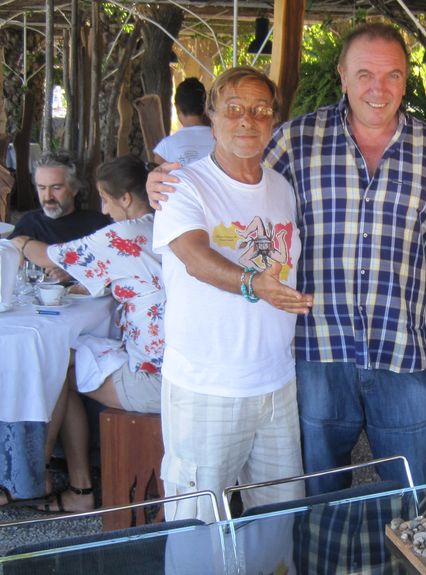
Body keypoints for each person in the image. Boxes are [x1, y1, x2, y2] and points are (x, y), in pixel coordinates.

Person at [147, 23, 426, 495]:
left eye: (393, 75)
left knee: (414, 487)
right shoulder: (297, 139)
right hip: (317, 349)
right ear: (342, 76)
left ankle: (408, 546)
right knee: (318, 493)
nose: (378, 88)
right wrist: (163, 181)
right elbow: (235, 174)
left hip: (400, 345)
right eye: (365, 74)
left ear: (406, 80)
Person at [152, 67, 314, 523]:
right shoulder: (182, 184)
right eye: (235, 109)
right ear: (212, 116)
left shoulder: (281, 187)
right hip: (207, 387)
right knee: (198, 526)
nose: (248, 120)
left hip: (276, 382)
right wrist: (253, 283)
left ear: (274, 120)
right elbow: (194, 257)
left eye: (261, 110)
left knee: (278, 521)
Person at [0, 155, 165, 511]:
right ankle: (70, 486)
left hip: (156, 379)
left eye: (106, 199)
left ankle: (36, 480)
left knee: (55, 366)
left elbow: (50, 257)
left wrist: (20, 242)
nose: (104, 209)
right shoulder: (164, 225)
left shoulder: (125, 233)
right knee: (62, 360)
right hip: (181, 362)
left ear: (125, 198)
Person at [10, 151, 110, 262]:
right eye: (42, 188)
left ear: (74, 189)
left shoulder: (97, 225)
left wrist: (69, 270)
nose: (48, 196)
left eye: (56, 188)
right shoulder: (28, 224)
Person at [152, 78, 215, 166]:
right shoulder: (221, 140)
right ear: (206, 106)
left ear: (177, 108)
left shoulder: (165, 149)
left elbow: (157, 172)